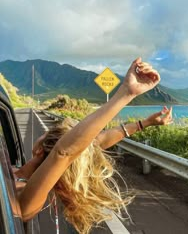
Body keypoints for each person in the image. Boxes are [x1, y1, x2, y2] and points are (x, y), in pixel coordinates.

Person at [13, 57, 172, 234]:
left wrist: (127, 93)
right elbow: (95, 142)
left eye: (48, 133)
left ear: (40, 149)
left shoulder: (25, 199)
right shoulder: (19, 180)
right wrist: (144, 124)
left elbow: (64, 152)